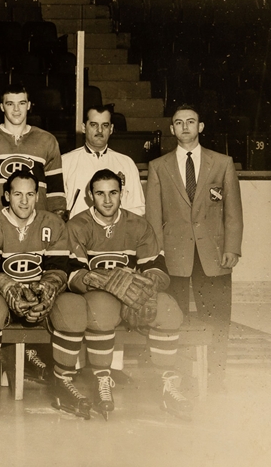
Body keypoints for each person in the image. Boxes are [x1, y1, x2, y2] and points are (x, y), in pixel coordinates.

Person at [66, 169, 192, 420]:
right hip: (98, 295)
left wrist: (144, 283)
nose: (108, 200)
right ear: (91, 196)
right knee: (101, 311)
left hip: (133, 293)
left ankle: (167, 384)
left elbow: (157, 269)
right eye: (100, 194)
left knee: (168, 309)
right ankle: (102, 379)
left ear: (121, 193)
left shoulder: (137, 224)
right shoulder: (78, 225)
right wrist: (103, 281)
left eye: (113, 192)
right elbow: (72, 274)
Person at [145, 104, 243, 389]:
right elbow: (153, 216)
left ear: (201, 127)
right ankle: (180, 375)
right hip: (174, 256)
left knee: (218, 317)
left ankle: (216, 376)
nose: (185, 127)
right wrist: (157, 254)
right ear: (172, 129)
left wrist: (232, 248)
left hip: (214, 255)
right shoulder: (158, 167)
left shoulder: (222, 163)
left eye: (191, 122)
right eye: (179, 122)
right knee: (175, 317)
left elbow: (233, 212)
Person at [0, 169, 79, 418]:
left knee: (72, 307)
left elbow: (59, 268)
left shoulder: (52, 223)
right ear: (7, 196)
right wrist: (8, 287)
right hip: (3, 295)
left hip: (38, 295)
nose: (24, 201)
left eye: (30, 194)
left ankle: (63, 381)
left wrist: (47, 288)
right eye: (18, 194)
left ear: (38, 196)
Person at [0, 85, 67, 226]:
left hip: (35, 226)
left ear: (28, 105)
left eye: (21, 103)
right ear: (2, 107)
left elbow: (55, 193)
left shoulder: (47, 140)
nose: (16, 109)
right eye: (10, 104)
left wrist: (55, 227)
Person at [61, 105, 145, 219]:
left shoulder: (126, 163)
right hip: (78, 232)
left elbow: (137, 207)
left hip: (116, 233)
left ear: (111, 129)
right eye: (93, 125)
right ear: (84, 127)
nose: (99, 130)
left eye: (105, 125)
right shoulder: (65, 162)